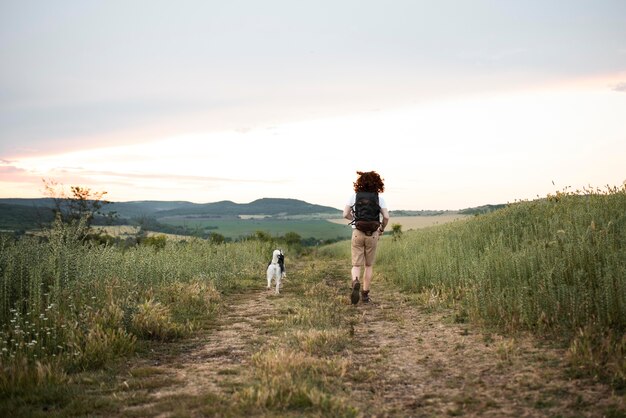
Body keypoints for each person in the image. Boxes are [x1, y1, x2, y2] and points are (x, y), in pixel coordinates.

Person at [343, 171, 390, 304]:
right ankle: (365, 295)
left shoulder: (354, 197)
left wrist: (355, 219)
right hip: (373, 234)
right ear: (377, 183)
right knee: (368, 265)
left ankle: (355, 282)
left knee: (356, 264)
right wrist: (381, 229)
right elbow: (386, 217)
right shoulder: (379, 199)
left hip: (357, 232)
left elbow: (345, 214)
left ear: (360, 183)